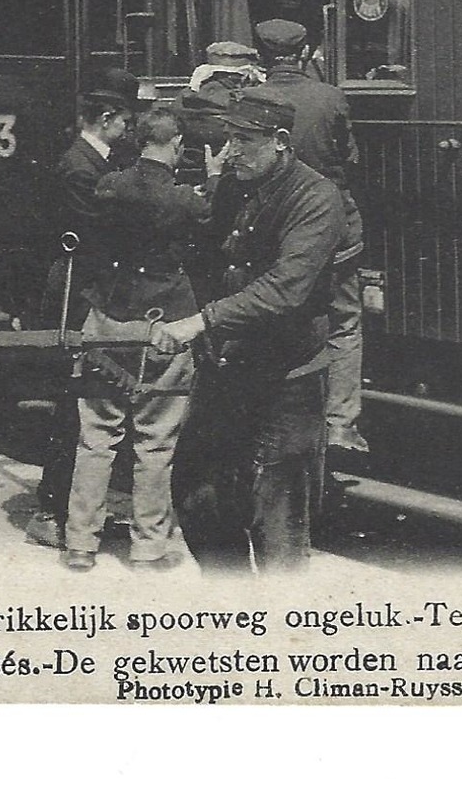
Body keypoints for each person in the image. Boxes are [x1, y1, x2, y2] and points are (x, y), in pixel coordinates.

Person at [152, 88, 345, 573]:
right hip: (228, 370)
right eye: (229, 138)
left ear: (280, 141)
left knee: (277, 520)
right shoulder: (235, 186)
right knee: (197, 497)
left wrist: (202, 321)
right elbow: (205, 254)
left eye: (244, 140)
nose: (229, 150)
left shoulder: (316, 197)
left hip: (287, 380)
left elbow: (286, 289)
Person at [63, 107, 224, 572]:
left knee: (96, 437)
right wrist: (212, 179)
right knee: (155, 442)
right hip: (163, 325)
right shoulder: (185, 199)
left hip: (107, 320)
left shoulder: (109, 185)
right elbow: (206, 216)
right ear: (177, 146)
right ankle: (149, 546)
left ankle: (80, 543)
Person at [24, 69, 137, 549]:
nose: (130, 131)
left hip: (88, 287)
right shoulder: (79, 168)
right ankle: (52, 511)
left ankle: (72, 508)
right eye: (126, 122)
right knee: (74, 403)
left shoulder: (97, 160)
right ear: (107, 118)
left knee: (88, 401)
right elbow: (102, 231)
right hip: (77, 292)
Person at [256, 18, 368, 453]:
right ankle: (341, 422)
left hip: (275, 226)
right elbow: (349, 159)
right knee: (344, 320)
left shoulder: (248, 100)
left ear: (262, 56)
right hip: (334, 228)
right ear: (305, 54)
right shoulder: (330, 97)